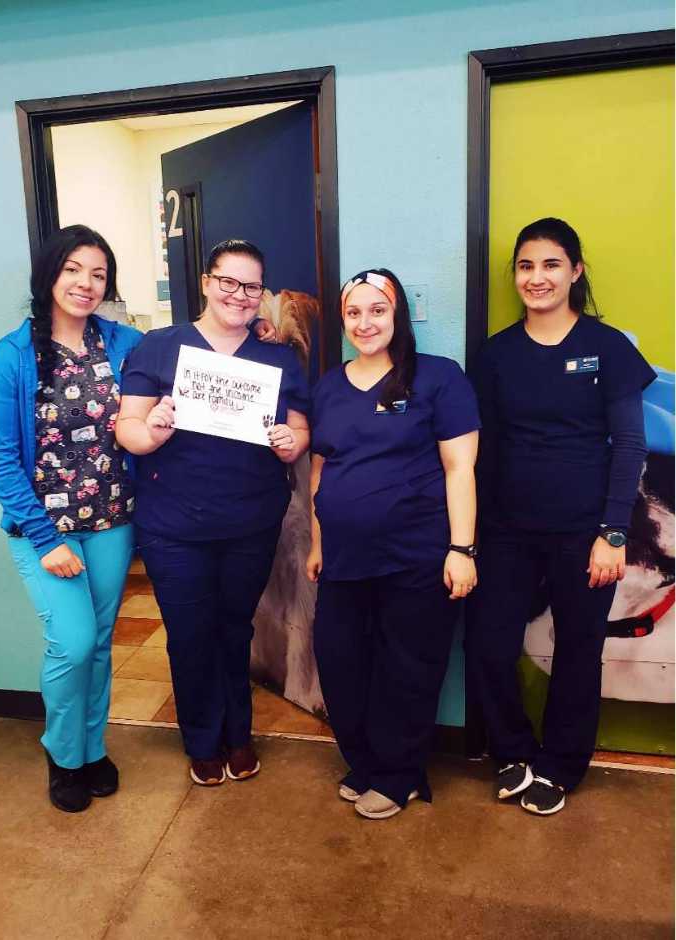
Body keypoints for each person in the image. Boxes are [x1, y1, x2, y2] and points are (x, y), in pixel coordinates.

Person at [466, 218, 655, 816]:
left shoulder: (608, 348)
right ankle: (513, 752)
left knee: (578, 650)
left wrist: (613, 534)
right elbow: (481, 453)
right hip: (505, 532)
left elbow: (629, 445)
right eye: (526, 266)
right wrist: (466, 539)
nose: (537, 277)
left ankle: (562, 765)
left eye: (551, 265)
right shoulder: (496, 354)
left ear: (575, 271)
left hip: (586, 533)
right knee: (489, 645)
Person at [116, 238, 309, 787]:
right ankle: (202, 737)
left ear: (261, 295)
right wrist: (151, 430)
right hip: (173, 526)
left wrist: (288, 442)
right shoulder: (159, 347)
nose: (239, 295)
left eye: (251, 287)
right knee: (188, 632)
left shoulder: (277, 357)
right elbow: (127, 429)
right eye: (228, 281)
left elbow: (300, 432)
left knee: (234, 627)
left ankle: (238, 734)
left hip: (250, 522)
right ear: (206, 282)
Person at [0, 224, 143, 813]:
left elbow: (171, 383)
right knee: (71, 643)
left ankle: (91, 750)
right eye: (74, 268)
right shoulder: (12, 355)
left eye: (98, 273)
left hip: (112, 522)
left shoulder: (124, 343)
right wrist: (45, 538)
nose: (86, 283)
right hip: (44, 531)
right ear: (50, 273)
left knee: (99, 644)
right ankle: (61, 751)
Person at [306, 269, 481, 820]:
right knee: (340, 661)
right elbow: (319, 473)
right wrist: (317, 544)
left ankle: (400, 774)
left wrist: (463, 549)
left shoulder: (438, 378)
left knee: (407, 666)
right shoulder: (329, 386)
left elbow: (460, 468)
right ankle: (365, 763)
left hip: (417, 557)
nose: (365, 323)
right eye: (354, 313)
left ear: (398, 314)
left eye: (377, 310)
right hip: (343, 559)